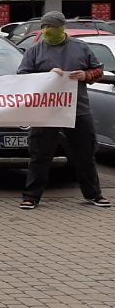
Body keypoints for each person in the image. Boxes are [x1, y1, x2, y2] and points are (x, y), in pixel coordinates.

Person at [17, 11, 110, 210]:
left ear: (62, 28)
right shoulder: (34, 51)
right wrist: (46, 76)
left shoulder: (80, 48)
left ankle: (94, 194)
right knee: (40, 154)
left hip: (78, 109)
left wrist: (85, 75)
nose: (48, 32)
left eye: (53, 28)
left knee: (85, 154)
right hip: (45, 111)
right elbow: (22, 77)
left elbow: (98, 71)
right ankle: (31, 196)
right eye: (45, 29)